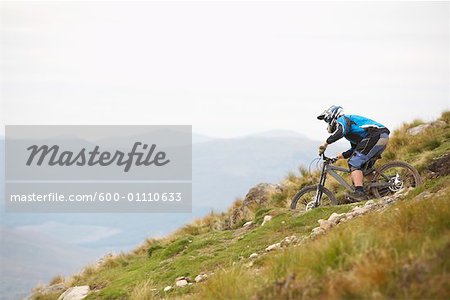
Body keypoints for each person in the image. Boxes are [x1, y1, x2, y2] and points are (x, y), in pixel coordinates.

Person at [317, 105, 390, 201]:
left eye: (327, 120)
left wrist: (326, 143)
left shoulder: (343, 119)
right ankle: (381, 189)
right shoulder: (351, 133)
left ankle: (360, 192)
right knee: (364, 168)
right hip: (380, 138)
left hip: (376, 136)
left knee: (354, 162)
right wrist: (336, 157)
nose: (327, 124)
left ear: (333, 116)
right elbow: (354, 150)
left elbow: (341, 131)